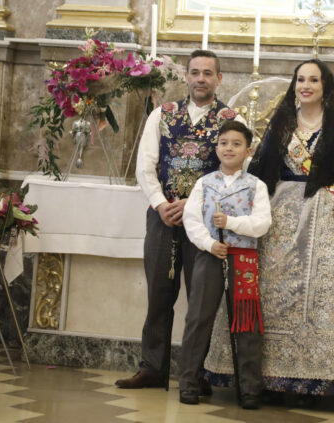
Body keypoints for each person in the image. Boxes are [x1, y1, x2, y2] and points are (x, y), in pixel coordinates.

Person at [204, 59, 334, 399]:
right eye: (301, 79)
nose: (306, 86)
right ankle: (262, 377)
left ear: (325, 87)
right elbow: (263, 168)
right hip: (279, 209)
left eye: (313, 80)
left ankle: (333, 378)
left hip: (329, 207)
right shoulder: (284, 121)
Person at [115, 50, 242, 390]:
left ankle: (194, 374)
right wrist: (159, 204)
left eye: (208, 73)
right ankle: (153, 369)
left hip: (204, 223)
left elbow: (234, 174)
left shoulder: (232, 120)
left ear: (219, 78)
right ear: (186, 76)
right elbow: (145, 165)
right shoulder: (163, 114)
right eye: (195, 72)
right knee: (159, 293)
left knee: (200, 301)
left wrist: (193, 205)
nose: (201, 78)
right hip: (163, 218)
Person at [179, 120, 271, 409]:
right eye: (223, 143)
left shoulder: (256, 186)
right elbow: (191, 220)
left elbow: (262, 224)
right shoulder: (204, 184)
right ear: (216, 148)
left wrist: (230, 223)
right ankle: (189, 383)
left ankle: (249, 390)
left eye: (236, 144)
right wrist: (209, 244)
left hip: (243, 259)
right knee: (198, 319)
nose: (229, 148)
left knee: (246, 324)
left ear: (248, 151)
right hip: (211, 256)